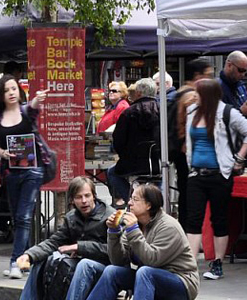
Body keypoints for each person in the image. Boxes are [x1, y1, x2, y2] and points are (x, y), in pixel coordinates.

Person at [185, 79, 247, 280]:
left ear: (207, 95)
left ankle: (217, 263)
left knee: (219, 219)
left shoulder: (227, 112)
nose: (194, 96)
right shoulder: (191, 111)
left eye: (197, 93)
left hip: (220, 174)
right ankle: (190, 265)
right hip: (196, 174)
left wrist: (239, 159)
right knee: (193, 219)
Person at [86, 184, 199, 300]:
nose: (129, 203)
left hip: (181, 281)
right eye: (130, 199)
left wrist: (133, 231)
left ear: (148, 205)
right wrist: (113, 232)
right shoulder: (135, 225)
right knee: (111, 271)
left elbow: (152, 260)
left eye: (135, 199)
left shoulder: (169, 226)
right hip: (148, 277)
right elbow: (118, 261)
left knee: (145, 272)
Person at [0, 75, 49, 279]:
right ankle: (27, 259)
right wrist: (3, 153)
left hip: (33, 169)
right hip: (10, 172)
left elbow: (34, 107)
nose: (12, 93)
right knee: (17, 217)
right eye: (7, 90)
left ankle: (16, 262)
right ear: (1, 94)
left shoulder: (26, 111)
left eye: (14, 89)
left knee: (23, 217)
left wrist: (38, 99)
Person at [17, 176, 114, 300]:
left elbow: (114, 251)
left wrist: (79, 247)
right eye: (79, 197)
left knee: (85, 265)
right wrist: (29, 255)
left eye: (87, 195)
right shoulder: (72, 217)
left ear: (94, 196)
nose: (84, 201)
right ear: (72, 200)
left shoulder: (109, 216)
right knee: (41, 260)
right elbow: (54, 242)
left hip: (104, 267)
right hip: (77, 264)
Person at [169, 58, 211, 228]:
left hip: (179, 151)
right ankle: (191, 231)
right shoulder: (192, 97)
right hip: (190, 152)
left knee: (186, 192)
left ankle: (186, 229)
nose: (211, 79)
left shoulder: (179, 93)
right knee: (193, 194)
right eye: (208, 75)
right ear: (197, 76)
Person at [107, 78, 160, 209]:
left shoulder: (129, 113)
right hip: (159, 163)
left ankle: (132, 201)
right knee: (161, 178)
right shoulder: (163, 111)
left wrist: (124, 154)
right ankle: (156, 202)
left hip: (133, 164)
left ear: (138, 93)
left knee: (111, 173)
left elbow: (118, 140)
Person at [218, 50, 247, 118]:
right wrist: (241, 111)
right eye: (241, 70)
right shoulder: (215, 88)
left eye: (245, 72)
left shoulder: (241, 86)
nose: (243, 75)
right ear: (229, 65)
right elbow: (216, 117)